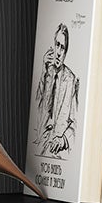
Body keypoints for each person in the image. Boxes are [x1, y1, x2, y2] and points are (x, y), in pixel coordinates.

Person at [33, 22, 78, 157]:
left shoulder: (71, 80)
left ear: (66, 51)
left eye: (62, 48)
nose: (58, 52)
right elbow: (36, 106)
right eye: (57, 45)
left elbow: (75, 123)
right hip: (38, 143)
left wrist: (63, 140)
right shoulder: (46, 71)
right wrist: (43, 70)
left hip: (56, 149)